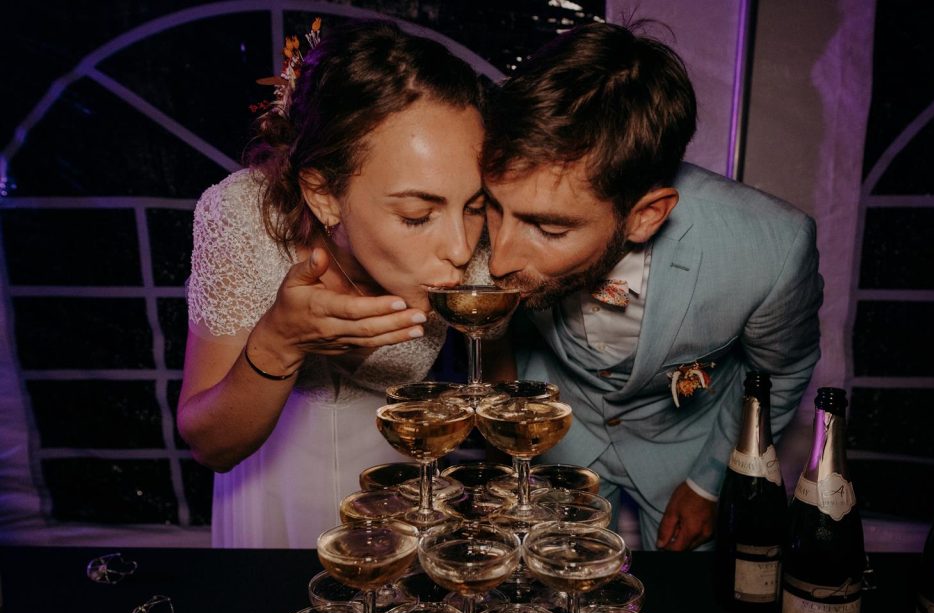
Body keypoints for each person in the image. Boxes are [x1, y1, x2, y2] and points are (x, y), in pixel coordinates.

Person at [482, 21, 823, 551]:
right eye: (492, 208)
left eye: (549, 228)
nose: (498, 259)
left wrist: (712, 481)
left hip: (685, 450)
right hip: (556, 435)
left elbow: (779, 370)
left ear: (646, 216)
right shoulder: (497, 225)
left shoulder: (772, 250)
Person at [177, 20, 489, 548]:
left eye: (476, 206)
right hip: (268, 471)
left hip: (400, 472)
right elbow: (210, 445)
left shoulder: (471, 238)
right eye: (418, 214)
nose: (461, 249)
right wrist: (278, 343)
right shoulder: (239, 215)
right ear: (324, 195)